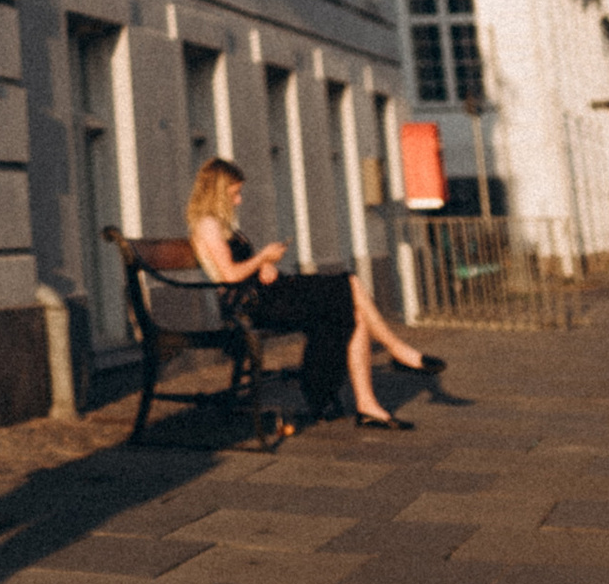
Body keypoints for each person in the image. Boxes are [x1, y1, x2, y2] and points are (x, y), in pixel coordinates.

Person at [185, 155, 441, 430]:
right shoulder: (208, 225)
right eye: (233, 194)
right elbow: (229, 275)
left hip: (264, 295)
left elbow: (238, 268)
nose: (239, 200)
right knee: (348, 284)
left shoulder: (219, 224)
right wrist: (262, 258)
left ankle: (369, 404)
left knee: (352, 309)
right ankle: (396, 351)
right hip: (253, 305)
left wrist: (264, 266)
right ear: (217, 192)